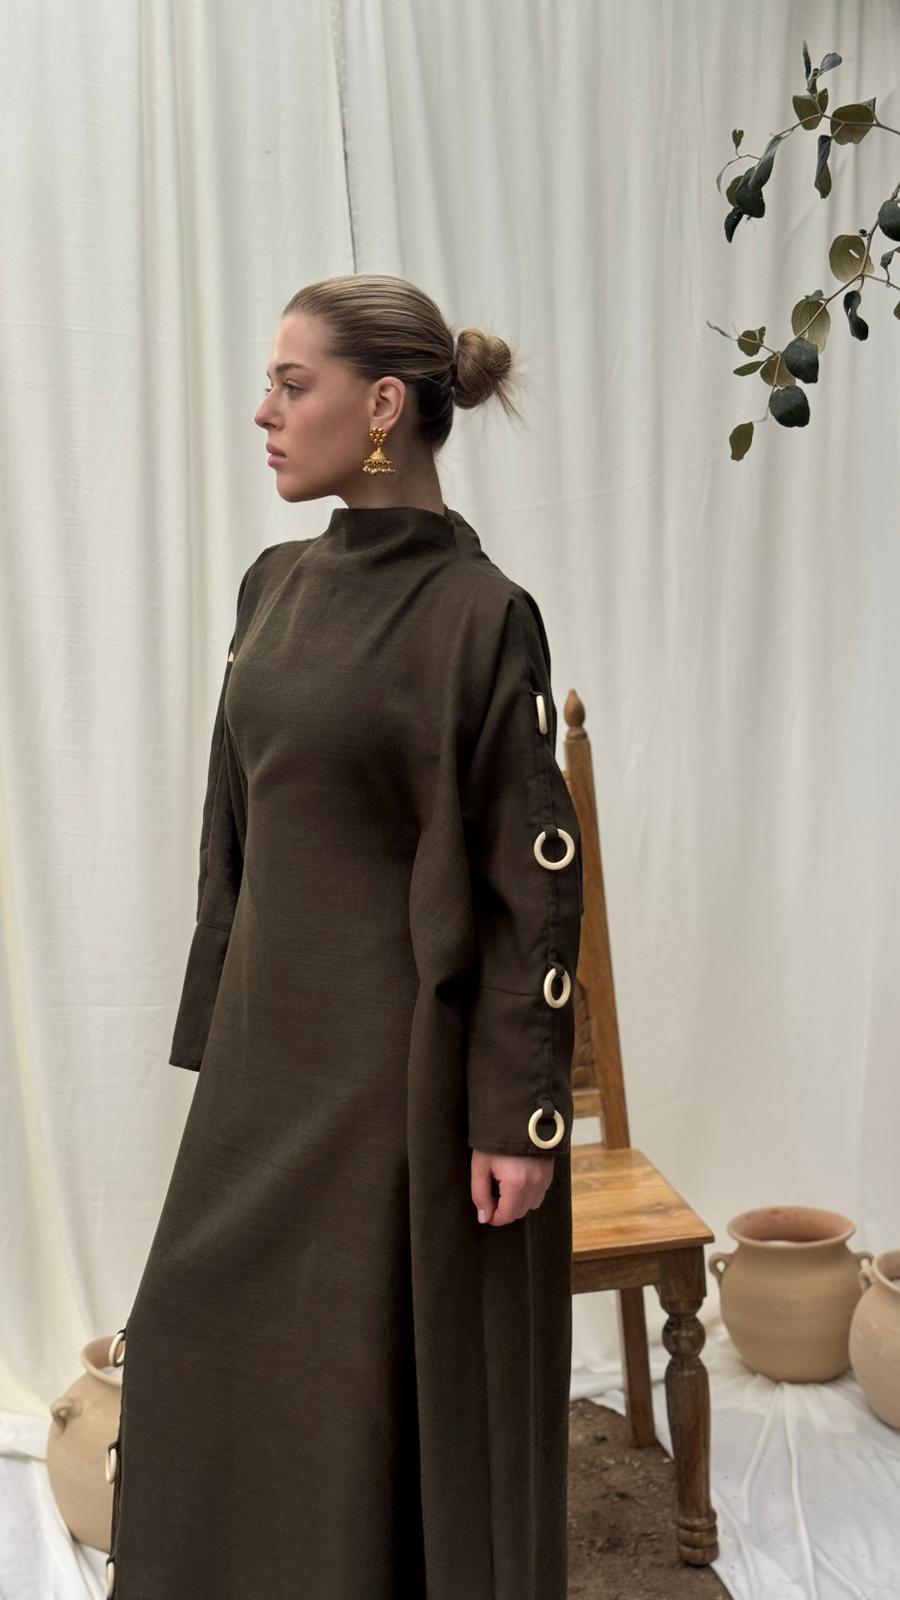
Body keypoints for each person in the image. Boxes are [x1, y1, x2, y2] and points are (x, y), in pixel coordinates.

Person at [104, 273, 583, 1600]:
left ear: (381, 407)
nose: (263, 412)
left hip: (399, 1083)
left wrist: (517, 1115)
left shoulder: (482, 615)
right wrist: (218, 1020)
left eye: (291, 383)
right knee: (196, 1345)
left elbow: (531, 883)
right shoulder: (272, 587)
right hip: (268, 1068)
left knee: (366, 1398)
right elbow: (237, 826)